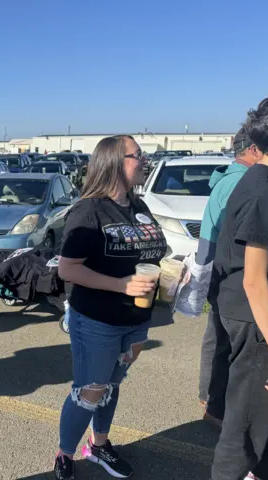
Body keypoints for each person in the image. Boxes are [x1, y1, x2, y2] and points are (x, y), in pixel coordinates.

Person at [55, 135, 167, 479]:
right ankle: (65, 454)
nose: (144, 160)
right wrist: (121, 285)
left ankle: (99, 445)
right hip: (97, 320)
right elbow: (67, 268)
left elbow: (149, 254)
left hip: (137, 319)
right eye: (138, 155)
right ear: (115, 162)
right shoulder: (88, 211)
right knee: (90, 389)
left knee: (112, 384)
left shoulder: (139, 207)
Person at [211, 94, 268, 480]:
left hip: (260, 320)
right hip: (255, 325)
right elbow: (254, 280)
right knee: (245, 430)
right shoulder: (261, 192)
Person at [197, 128, 263, 427]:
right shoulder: (242, 182)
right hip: (229, 274)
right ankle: (215, 406)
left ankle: (210, 401)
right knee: (227, 343)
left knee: (218, 337)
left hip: (216, 268)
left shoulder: (229, 179)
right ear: (253, 149)